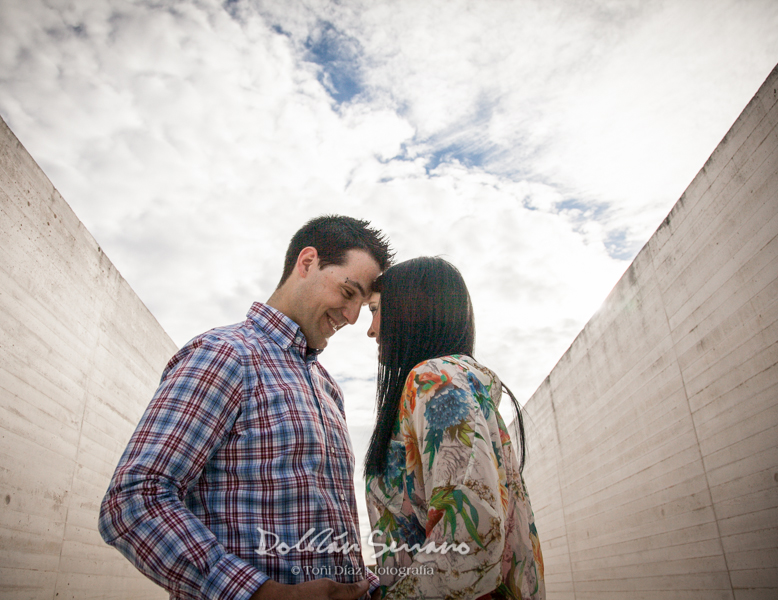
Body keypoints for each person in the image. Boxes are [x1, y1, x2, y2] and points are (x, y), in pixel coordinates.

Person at [99, 215, 394, 600]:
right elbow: (133, 500)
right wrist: (265, 594)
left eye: (363, 304)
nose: (353, 317)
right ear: (307, 263)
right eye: (348, 291)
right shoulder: (225, 354)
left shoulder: (328, 389)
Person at [363, 257, 545, 599]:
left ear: (409, 310)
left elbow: (471, 533)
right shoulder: (449, 384)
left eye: (375, 309)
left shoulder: (436, 380)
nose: (371, 329)